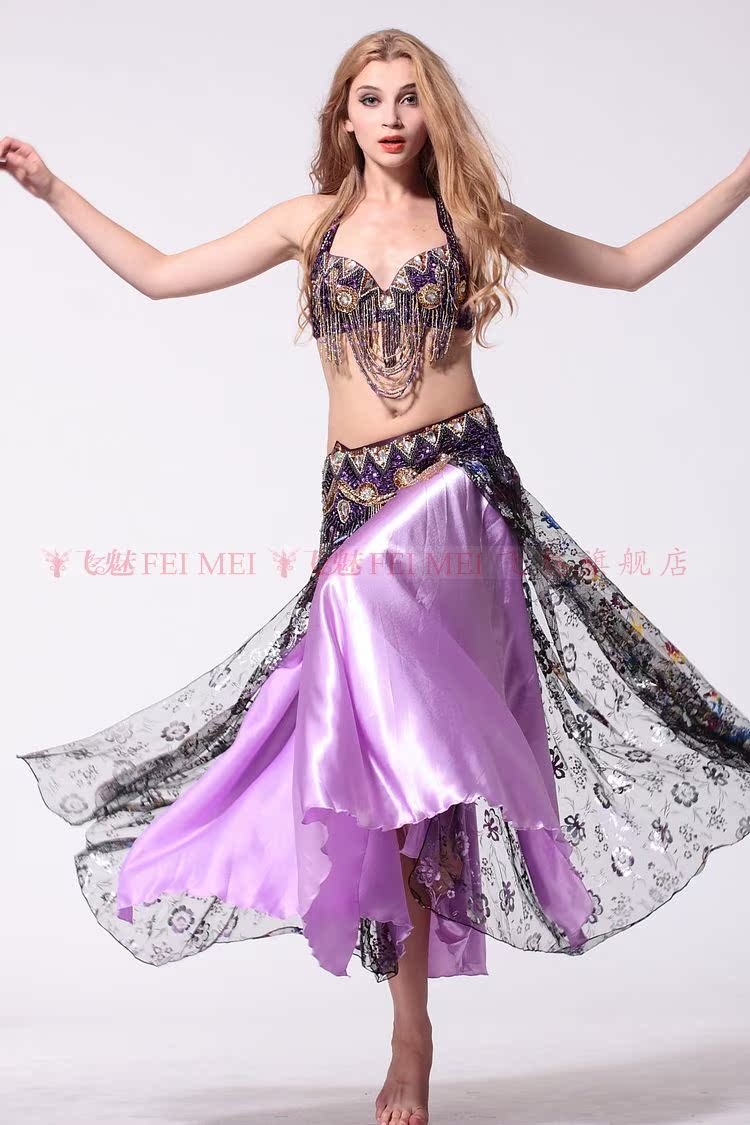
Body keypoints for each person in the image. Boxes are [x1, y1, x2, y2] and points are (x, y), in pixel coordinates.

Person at [5, 27, 750, 1125]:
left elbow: (628, 265)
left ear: (431, 113)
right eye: (371, 97)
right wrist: (53, 189)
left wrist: (740, 179)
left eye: (409, 97)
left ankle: (412, 1033)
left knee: (393, 713)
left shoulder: (470, 221)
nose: (392, 115)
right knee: (384, 785)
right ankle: (411, 1029)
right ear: (343, 116)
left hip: (457, 505)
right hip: (354, 510)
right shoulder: (307, 225)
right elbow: (162, 277)